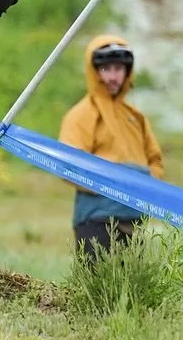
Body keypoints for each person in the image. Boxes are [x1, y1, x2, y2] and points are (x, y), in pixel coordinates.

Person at [59, 34, 164, 258]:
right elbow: (67, 165)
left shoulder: (136, 117)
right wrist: (111, 185)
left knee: (136, 281)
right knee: (99, 282)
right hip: (96, 223)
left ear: (128, 71)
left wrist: (144, 186)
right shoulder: (81, 115)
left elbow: (155, 160)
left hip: (134, 224)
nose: (113, 76)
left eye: (118, 69)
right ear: (94, 71)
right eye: (106, 69)